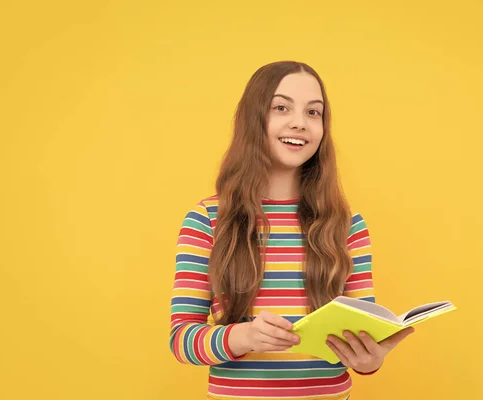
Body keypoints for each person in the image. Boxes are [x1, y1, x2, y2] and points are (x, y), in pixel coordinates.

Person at [169, 60, 414, 399]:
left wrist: (370, 358)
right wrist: (244, 337)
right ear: (253, 119)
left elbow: (360, 336)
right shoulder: (208, 219)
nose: (299, 123)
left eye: (314, 113)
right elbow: (181, 339)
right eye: (281, 107)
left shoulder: (348, 225)